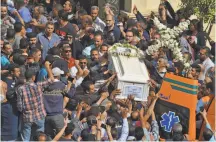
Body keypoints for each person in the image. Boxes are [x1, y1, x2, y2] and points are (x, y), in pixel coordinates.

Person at [16, 63, 54, 141]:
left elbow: (19, 106)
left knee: (25, 138)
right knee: (39, 137)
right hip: (39, 116)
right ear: (33, 77)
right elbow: (51, 79)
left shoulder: (20, 89)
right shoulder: (38, 85)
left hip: (27, 117)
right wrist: (47, 67)